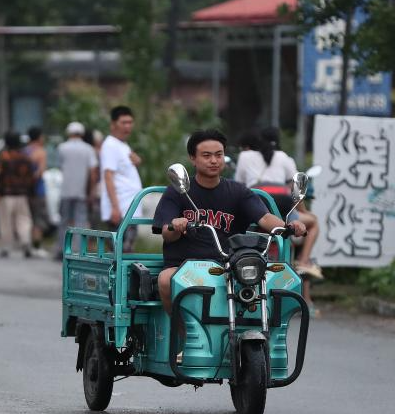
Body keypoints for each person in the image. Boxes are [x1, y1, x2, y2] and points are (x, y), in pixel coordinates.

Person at [153, 129, 306, 315]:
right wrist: (176, 225)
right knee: (165, 279)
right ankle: (182, 334)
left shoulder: (238, 191)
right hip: (185, 266)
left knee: (281, 278)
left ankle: (267, 335)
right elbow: (167, 235)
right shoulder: (178, 191)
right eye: (206, 155)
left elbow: (264, 217)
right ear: (193, 158)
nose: (214, 161)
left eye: (219, 155)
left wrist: (288, 226)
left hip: (228, 265)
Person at [235, 127, 322, 279]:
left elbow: (238, 187)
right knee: (312, 222)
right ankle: (303, 262)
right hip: (281, 206)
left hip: (255, 204)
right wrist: (304, 212)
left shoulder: (245, 156)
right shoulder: (284, 157)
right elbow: (296, 189)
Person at [100, 106, 143, 253]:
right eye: (123, 122)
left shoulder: (122, 144)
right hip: (121, 210)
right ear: (113, 124)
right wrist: (115, 208)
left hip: (129, 208)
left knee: (127, 253)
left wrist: (136, 161)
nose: (128, 126)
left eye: (130, 122)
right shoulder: (110, 145)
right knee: (120, 255)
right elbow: (108, 176)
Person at [53, 121, 98, 260]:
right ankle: (77, 252)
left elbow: (59, 167)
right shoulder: (88, 149)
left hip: (65, 191)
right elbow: (93, 172)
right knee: (80, 221)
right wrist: (91, 191)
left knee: (64, 221)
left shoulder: (62, 148)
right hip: (81, 192)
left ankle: (61, 249)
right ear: (82, 134)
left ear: (69, 133)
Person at [0, 130, 36, 259]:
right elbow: (31, 178)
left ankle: (6, 246)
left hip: (6, 194)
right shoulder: (26, 159)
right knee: (24, 220)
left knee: (5, 221)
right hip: (22, 194)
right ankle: (26, 242)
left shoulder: (4, 157)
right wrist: (30, 192)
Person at [23, 126, 50, 258]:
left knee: (27, 219)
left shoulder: (24, 151)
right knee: (38, 220)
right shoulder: (40, 152)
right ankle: (37, 247)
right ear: (39, 137)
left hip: (24, 191)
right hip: (38, 190)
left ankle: (27, 245)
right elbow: (40, 172)